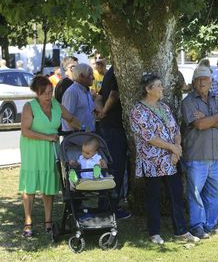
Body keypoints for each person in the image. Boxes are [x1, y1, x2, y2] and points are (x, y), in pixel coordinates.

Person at [130, 73, 199, 245]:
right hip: (152, 160)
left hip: (171, 160)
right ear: (148, 89)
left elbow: (175, 130)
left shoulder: (165, 107)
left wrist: (176, 150)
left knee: (176, 195)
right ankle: (154, 232)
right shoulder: (137, 111)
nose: (162, 88)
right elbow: (149, 137)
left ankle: (181, 231)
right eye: (159, 85)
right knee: (153, 197)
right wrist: (172, 148)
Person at [19, 76, 80, 238]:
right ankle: (28, 222)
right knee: (30, 187)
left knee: (48, 187)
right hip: (32, 151)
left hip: (50, 152)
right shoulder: (29, 107)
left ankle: (48, 221)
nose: (48, 96)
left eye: (50, 92)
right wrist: (48, 137)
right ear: (37, 93)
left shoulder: (56, 105)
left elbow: (71, 119)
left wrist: (83, 128)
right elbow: (25, 131)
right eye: (45, 93)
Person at [181, 66, 218, 239]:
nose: (202, 82)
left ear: (211, 81)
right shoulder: (188, 101)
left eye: (205, 79)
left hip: (215, 155)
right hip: (196, 155)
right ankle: (197, 226)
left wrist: (209, 118)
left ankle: (211, 224)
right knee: (195, 193)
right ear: (194, 82)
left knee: (215, 193)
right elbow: (199, 125)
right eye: (199, 79)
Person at [94, 66, 130, 219]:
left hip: (106, 127)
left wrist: (101, 111)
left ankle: (105, 205)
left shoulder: (109, 72)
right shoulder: (118, 71)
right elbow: (114, 95)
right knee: (116, 168)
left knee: (108, 167)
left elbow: (98, 97)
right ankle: (111, 208)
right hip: (114, 127)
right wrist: (105, 111)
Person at [61, 63, 96, 132]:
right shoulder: (72, 92)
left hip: (87, 135)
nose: (93, 78)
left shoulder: (87, 91)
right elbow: (67, 118)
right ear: (81, 76)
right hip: (77, 137)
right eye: (90, 75)